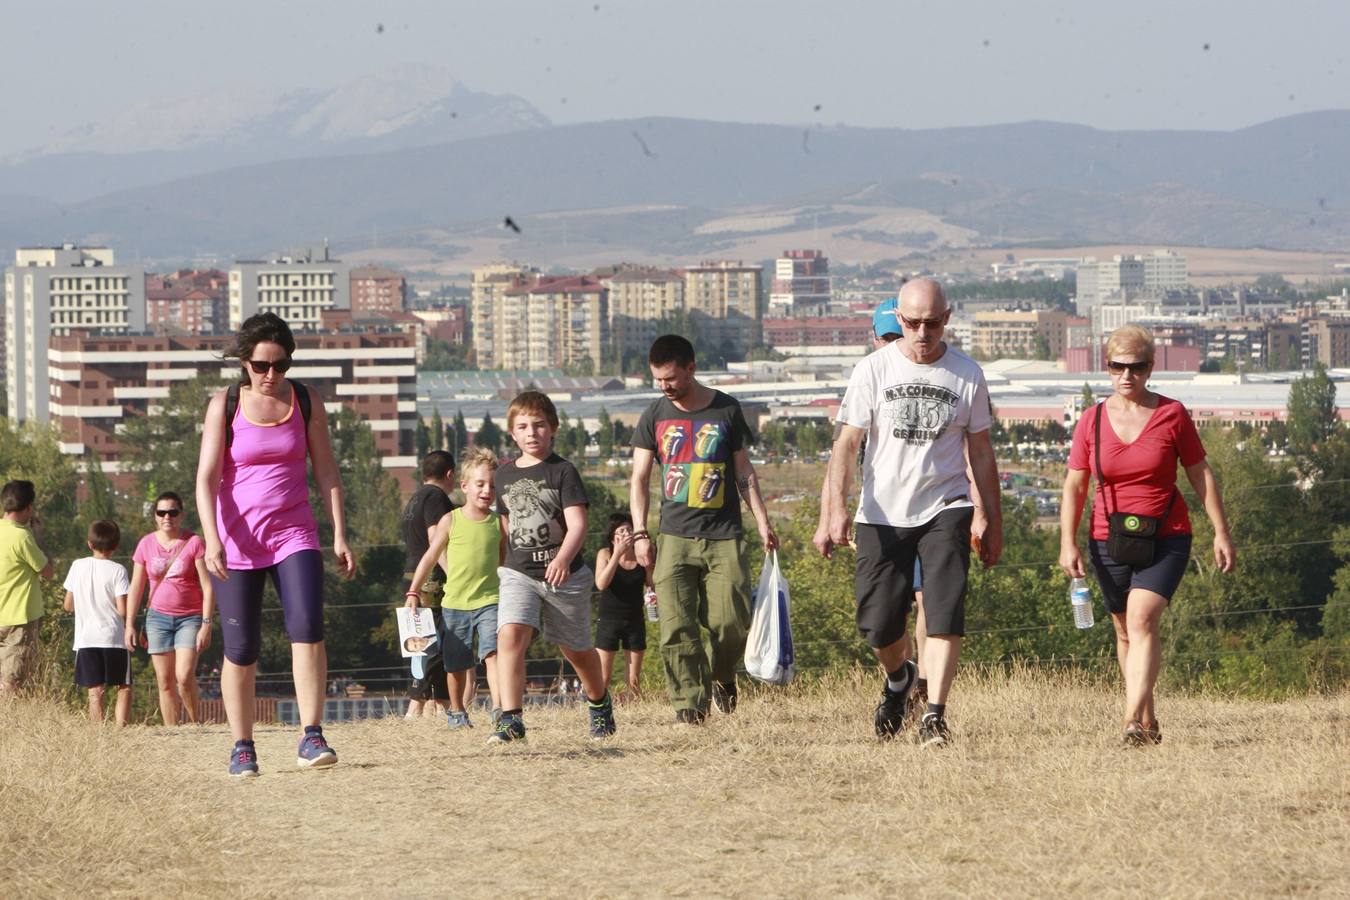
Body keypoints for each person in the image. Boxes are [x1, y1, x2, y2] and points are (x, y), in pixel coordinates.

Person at [825, 278, 1003, 746]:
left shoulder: (967, 373)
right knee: (879, 622)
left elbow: (981, 452)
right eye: (913, 323)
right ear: (898, 320)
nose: (923, 332)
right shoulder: (872, 370)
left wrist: (991, 518)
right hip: (881, 512)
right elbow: (846, 444)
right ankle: (900, 678)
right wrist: (835, 511)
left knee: (943, 610)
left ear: (947, 319)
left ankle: (935, 716)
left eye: (932, 323)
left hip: (946, 505)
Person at [196, 312, 356, 777]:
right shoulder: (224, 405)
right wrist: (211, 540)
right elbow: (206, 478)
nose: (271, 375)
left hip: (295, 533)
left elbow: (326, 470)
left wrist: (339, 531)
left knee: (307, 626)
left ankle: (311, 734)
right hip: (237, 539)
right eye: (262, 365)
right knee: (241, 648)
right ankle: (242, 745)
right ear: (244, 362)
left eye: (281, 365)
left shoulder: (305, 401)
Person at [1060, 324, 1235, 746]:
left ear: (1151, 367)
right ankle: (1148, 720)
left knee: (1142, 619)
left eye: (1136, 367)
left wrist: (1221, 531)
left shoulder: (1172, 415)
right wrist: (1068, 541)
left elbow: (1199, 473)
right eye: (1118, 367)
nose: (1127, 376)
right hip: (1109, 538)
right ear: (1107, 368)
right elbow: (1075, 485)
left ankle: (1129, 719)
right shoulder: (1092, 420)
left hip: (1167, 535)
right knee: (1124, 630)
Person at [631, 334, 778, 724]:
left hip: (724, 536)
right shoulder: (655, 415)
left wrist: (762, 521)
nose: (664, 387)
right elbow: (639, 478)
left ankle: (723, 676)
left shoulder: (726, 409)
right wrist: (640, 534)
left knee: (731, 621)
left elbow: (744, 472)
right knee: (676, 627)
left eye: (671, 379)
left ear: (691, 369)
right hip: (674, 538)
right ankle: (688, 707)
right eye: (658, 380)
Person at [488, 391, 614, 743]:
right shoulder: (504, 476)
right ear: (512, 433)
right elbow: (506, 525)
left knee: (575, 650)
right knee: (510, 635)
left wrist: (561, 558)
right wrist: (504, 565)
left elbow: (578, 525)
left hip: (566, 576)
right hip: (519, 574)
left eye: (540, 425)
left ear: (553, 428)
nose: (532, 433)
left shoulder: (563, 471)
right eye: (523, 427)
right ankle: (510, 719)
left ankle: (599, 702)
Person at [406, 446, 504, 729]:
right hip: (455, 605)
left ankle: (499, 708)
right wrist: (413, 591)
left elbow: (505, 562)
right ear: (464, 486)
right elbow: (430, 557)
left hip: (490, 601)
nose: (487, 490)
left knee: (492, 653)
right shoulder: (451, 520)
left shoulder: (499, 523)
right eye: (480, 484)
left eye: (493, 485)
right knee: (456, 665)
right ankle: (458, 712)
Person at [125, 491, 213, 725]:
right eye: (161, 512)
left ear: (181, 515)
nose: (167, 517)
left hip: (190, 618)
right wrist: (129, 624)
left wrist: (206, 623)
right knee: (164, 681)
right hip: (157, 619)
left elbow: (208, 586)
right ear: (155, 515)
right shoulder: (145, 544)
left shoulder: (194, 542)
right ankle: (172, 730)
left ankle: (195, 724)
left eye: (173, 512)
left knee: (183, 676)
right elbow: (136, 586)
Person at [401, 450, 459, 719]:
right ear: (450, 474)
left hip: (412, 576)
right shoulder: (437, 498)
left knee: (419, 643)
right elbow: (437, 540)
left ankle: (435, 702)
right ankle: (419, 704)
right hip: (433, 581)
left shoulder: (414, 499)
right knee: (435, 642)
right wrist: (456, 574)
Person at [63, 520, 133, 725]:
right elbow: (122, 609)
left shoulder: (77, 566)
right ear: (116, 545)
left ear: (89, 544)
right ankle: (121, 729)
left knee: (95, 691)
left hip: (86, 638)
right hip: (113, 637)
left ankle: (98, 733)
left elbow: (68, 605)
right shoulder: (118, 570)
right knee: (124, 684)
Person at [0, 480, 53, 697]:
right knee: (13, 682)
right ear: (29, 508)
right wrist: (38, 536)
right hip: (19, 618)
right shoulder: (22, 537)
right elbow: (48, 572)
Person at [593, 513, 653, 700]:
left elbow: (651, 584)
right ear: (613, 537)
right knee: (603, 676)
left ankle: (633, 708)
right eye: (622, 530)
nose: (627, 533)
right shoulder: (605, 554)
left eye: (629, 529)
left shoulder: (640, 556)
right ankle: (601, 707)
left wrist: (650, 565)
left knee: (633, 680)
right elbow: (601, 584)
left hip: (635, 619)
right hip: (608, 620)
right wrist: (617, 553)